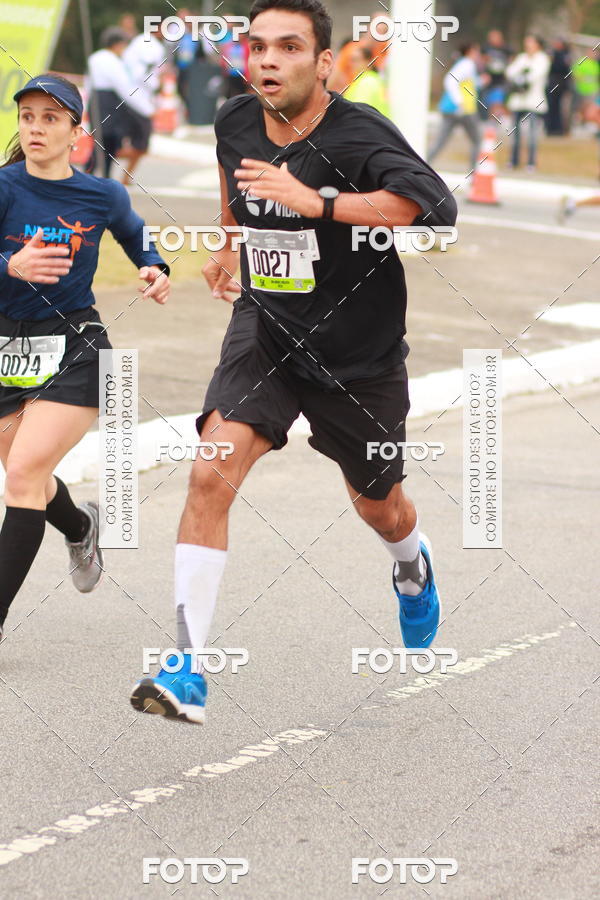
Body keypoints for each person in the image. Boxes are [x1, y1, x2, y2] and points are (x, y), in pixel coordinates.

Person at [130, 0, 457, 725]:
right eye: (257, 46)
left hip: (358, 355)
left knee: (381, 504)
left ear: (322, 62)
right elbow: (235, 188)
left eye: (287, 47)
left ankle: (411, 564)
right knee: (210, 466)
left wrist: (319, 201)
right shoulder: (234, 119)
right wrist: (227, 246)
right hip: (268, 328)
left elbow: (435, 208)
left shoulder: (359, 132)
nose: (268, 60)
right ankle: (187, 666)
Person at [0, 75, 170, 641]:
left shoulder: (103, 195)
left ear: (77, 131)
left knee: (22, 473)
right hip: (6, 343)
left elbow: (137, 237)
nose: (36, 128)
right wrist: (9, 265)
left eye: (50, 118)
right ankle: (80, 526)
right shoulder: (3, 187)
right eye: (27, 117)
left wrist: (154, 267)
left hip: (75, 341)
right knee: (28, 473)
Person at [86, 27, 153, 179]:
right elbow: (125, 88)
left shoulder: (94, 58)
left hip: (95, 101)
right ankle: (101, 178)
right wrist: (147, 109)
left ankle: (90, 176)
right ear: (117, 44)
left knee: (99, 145)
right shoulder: (111, 61)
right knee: (108, 145)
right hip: (109, 104)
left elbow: (88, 83)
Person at [428, 42, 481, 173]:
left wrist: (480, 82)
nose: (478, 54)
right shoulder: (467, 64)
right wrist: (460, 101)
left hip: (451, 109)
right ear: (470, 52)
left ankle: (422, 164)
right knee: (477, 140)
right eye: (476, 51)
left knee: (440, 142)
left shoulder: (463, 63)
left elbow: (467, 84)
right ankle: (474, 175)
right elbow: (450, 80)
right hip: (463, 110)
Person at [121, 28, 165, 183]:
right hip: (140, 101)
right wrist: (155, 87)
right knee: (142, 145)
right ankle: (124, 175)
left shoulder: (137, 41)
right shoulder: (154, 47)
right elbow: (145, 74)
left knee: (135, 144)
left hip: (127, 96)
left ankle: (125, 176)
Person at [506, 35, 551, 171]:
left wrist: (523, 76)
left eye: (531, 42)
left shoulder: (542, 59)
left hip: (533, 100)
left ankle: (531, 162)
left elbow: (535, 75)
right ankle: (513, 161)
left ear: (537, 44)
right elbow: (510, 71)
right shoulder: (522, 57)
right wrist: (520, 76)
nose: (528, 45)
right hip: (519, 100)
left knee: (532, 133)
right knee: (515, 131)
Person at [343, 44, 390, 117]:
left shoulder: (367, 82)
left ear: (368, 62)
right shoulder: (371, 79)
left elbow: (359, 113)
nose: (351, 64)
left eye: (355, 60)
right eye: (350, 60)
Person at [480, 29, 512, 121]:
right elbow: (481, 62)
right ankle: (493, 122)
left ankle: (494, 122)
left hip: (501, 81)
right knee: (488, 104)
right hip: (488, 82)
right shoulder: (485, 48)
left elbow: (511, 61)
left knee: (497, 103)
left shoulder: (506, 49)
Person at [546, 38, 571, 136]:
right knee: (551, 107)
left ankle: (559, 129)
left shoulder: (564, 55)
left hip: (560, 84)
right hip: (552, 83)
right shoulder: (552, 54)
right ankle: (550, 128)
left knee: (560, 108)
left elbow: (565, 70)